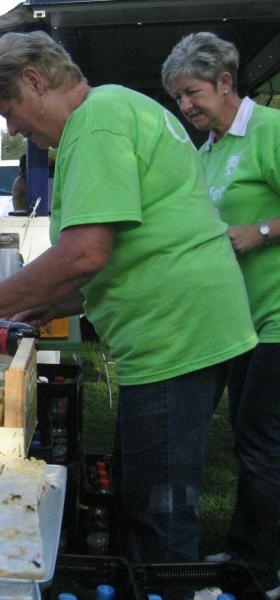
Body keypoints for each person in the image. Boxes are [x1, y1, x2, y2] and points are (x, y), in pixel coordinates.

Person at [0, 30, 257, 566]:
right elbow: (129, 243)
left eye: (9, 111)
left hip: (173, 332)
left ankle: (165, 584)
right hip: (185, 320)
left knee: (159, 507)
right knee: (151, 488)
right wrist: (58, 303)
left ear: (34, 81)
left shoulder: (96, 121)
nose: (12, 128)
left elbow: (84, 252)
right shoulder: (112, 109)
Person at [163, 32, 280, 596]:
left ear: (226, 82)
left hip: (278, 316)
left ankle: (260, 572)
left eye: (193, 92)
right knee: (249, 444)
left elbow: (253, 227)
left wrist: (261, 232)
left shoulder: (270, 130)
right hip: (239, 322)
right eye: (178, 98)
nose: (186, 106)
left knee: (262, 444)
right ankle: (246, 550)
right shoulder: (207, 151)